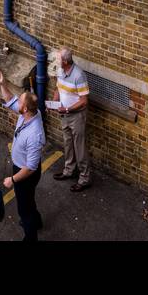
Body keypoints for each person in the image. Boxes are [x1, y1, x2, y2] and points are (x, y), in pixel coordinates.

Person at [0, 70, 45, 241]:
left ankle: (31, 237)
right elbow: (11, 100)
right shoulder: (29, 113)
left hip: (25, 173)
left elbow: (30, 168)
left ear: (25, 109)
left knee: (24, 209)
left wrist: (13, 179)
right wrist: (2, 84)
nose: (18, 102)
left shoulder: (34, 135)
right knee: (29, 200)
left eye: (20, 101)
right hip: (21, 166)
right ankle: (37, 221)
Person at [51, 48, 92, 191]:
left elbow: (84, 101)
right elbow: (58, 89)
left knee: (79, 147)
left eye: (59, 59)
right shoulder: (60, 71)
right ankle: (69, 171)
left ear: (66, 61)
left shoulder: (79, 75)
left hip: (76, 116)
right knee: (68, 144)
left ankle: (84, 178)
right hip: (64, 115)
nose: (56, 61)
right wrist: (54, 103)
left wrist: (67, 109)